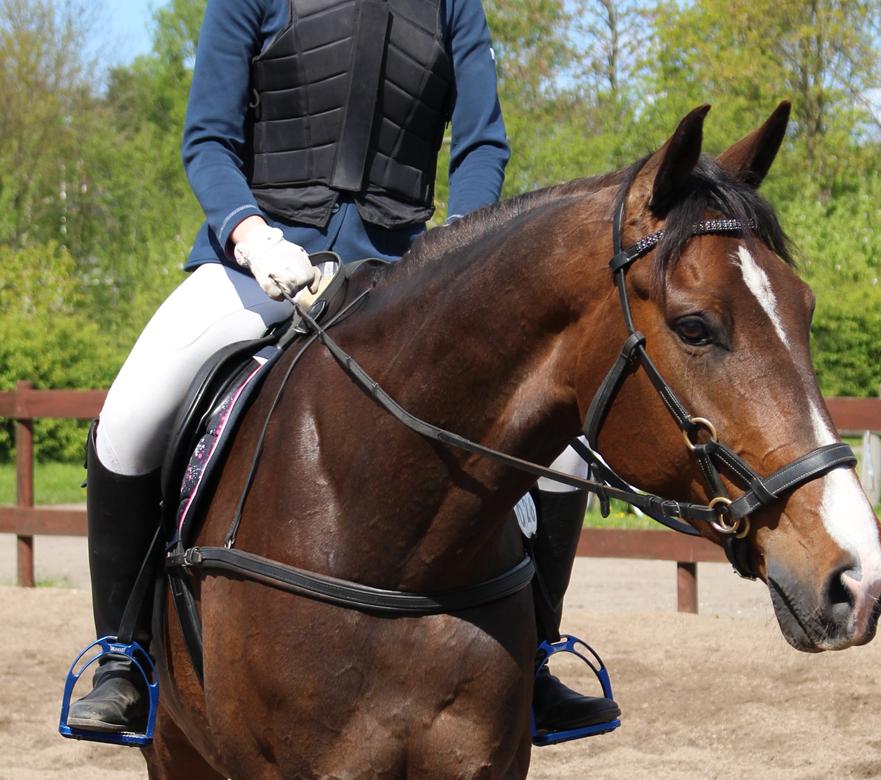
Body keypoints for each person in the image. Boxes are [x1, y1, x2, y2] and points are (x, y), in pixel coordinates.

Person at [66, 0, 618, 737]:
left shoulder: (453, 5)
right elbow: (207, 141)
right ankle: (124, 656)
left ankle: (538, 657)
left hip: (402, 272)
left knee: (562, 455)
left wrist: (458, 255)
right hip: (262, 262)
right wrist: (252, 236)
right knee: (133, 415)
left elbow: (482, 144)